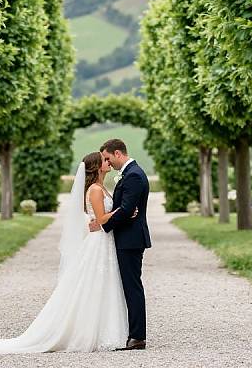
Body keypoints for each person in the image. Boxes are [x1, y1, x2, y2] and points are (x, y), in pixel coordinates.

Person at [0, 151, 129, 354]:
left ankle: (104, 331)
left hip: (104, 240)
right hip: (99, 241)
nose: (108, 162)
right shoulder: (95, 190)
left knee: (103, 285)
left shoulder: (100, 187)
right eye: (104, 161)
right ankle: (90, 333)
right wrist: (122, 211)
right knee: (94, 284)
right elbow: (100, 218)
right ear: (97, 167)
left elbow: (97, 220)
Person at [89, 138, 151, 351]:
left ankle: (137, 337)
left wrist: (102, 225)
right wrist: (119, 213)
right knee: (128, 286)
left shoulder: (133, 175)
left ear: (117, 153)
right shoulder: (130, 173)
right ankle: (134, 334)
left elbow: (126, 210)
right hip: (127, 238)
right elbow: (124, 209)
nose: (107, 163)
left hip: (131, 240)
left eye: (107, 158)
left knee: (132, 287)